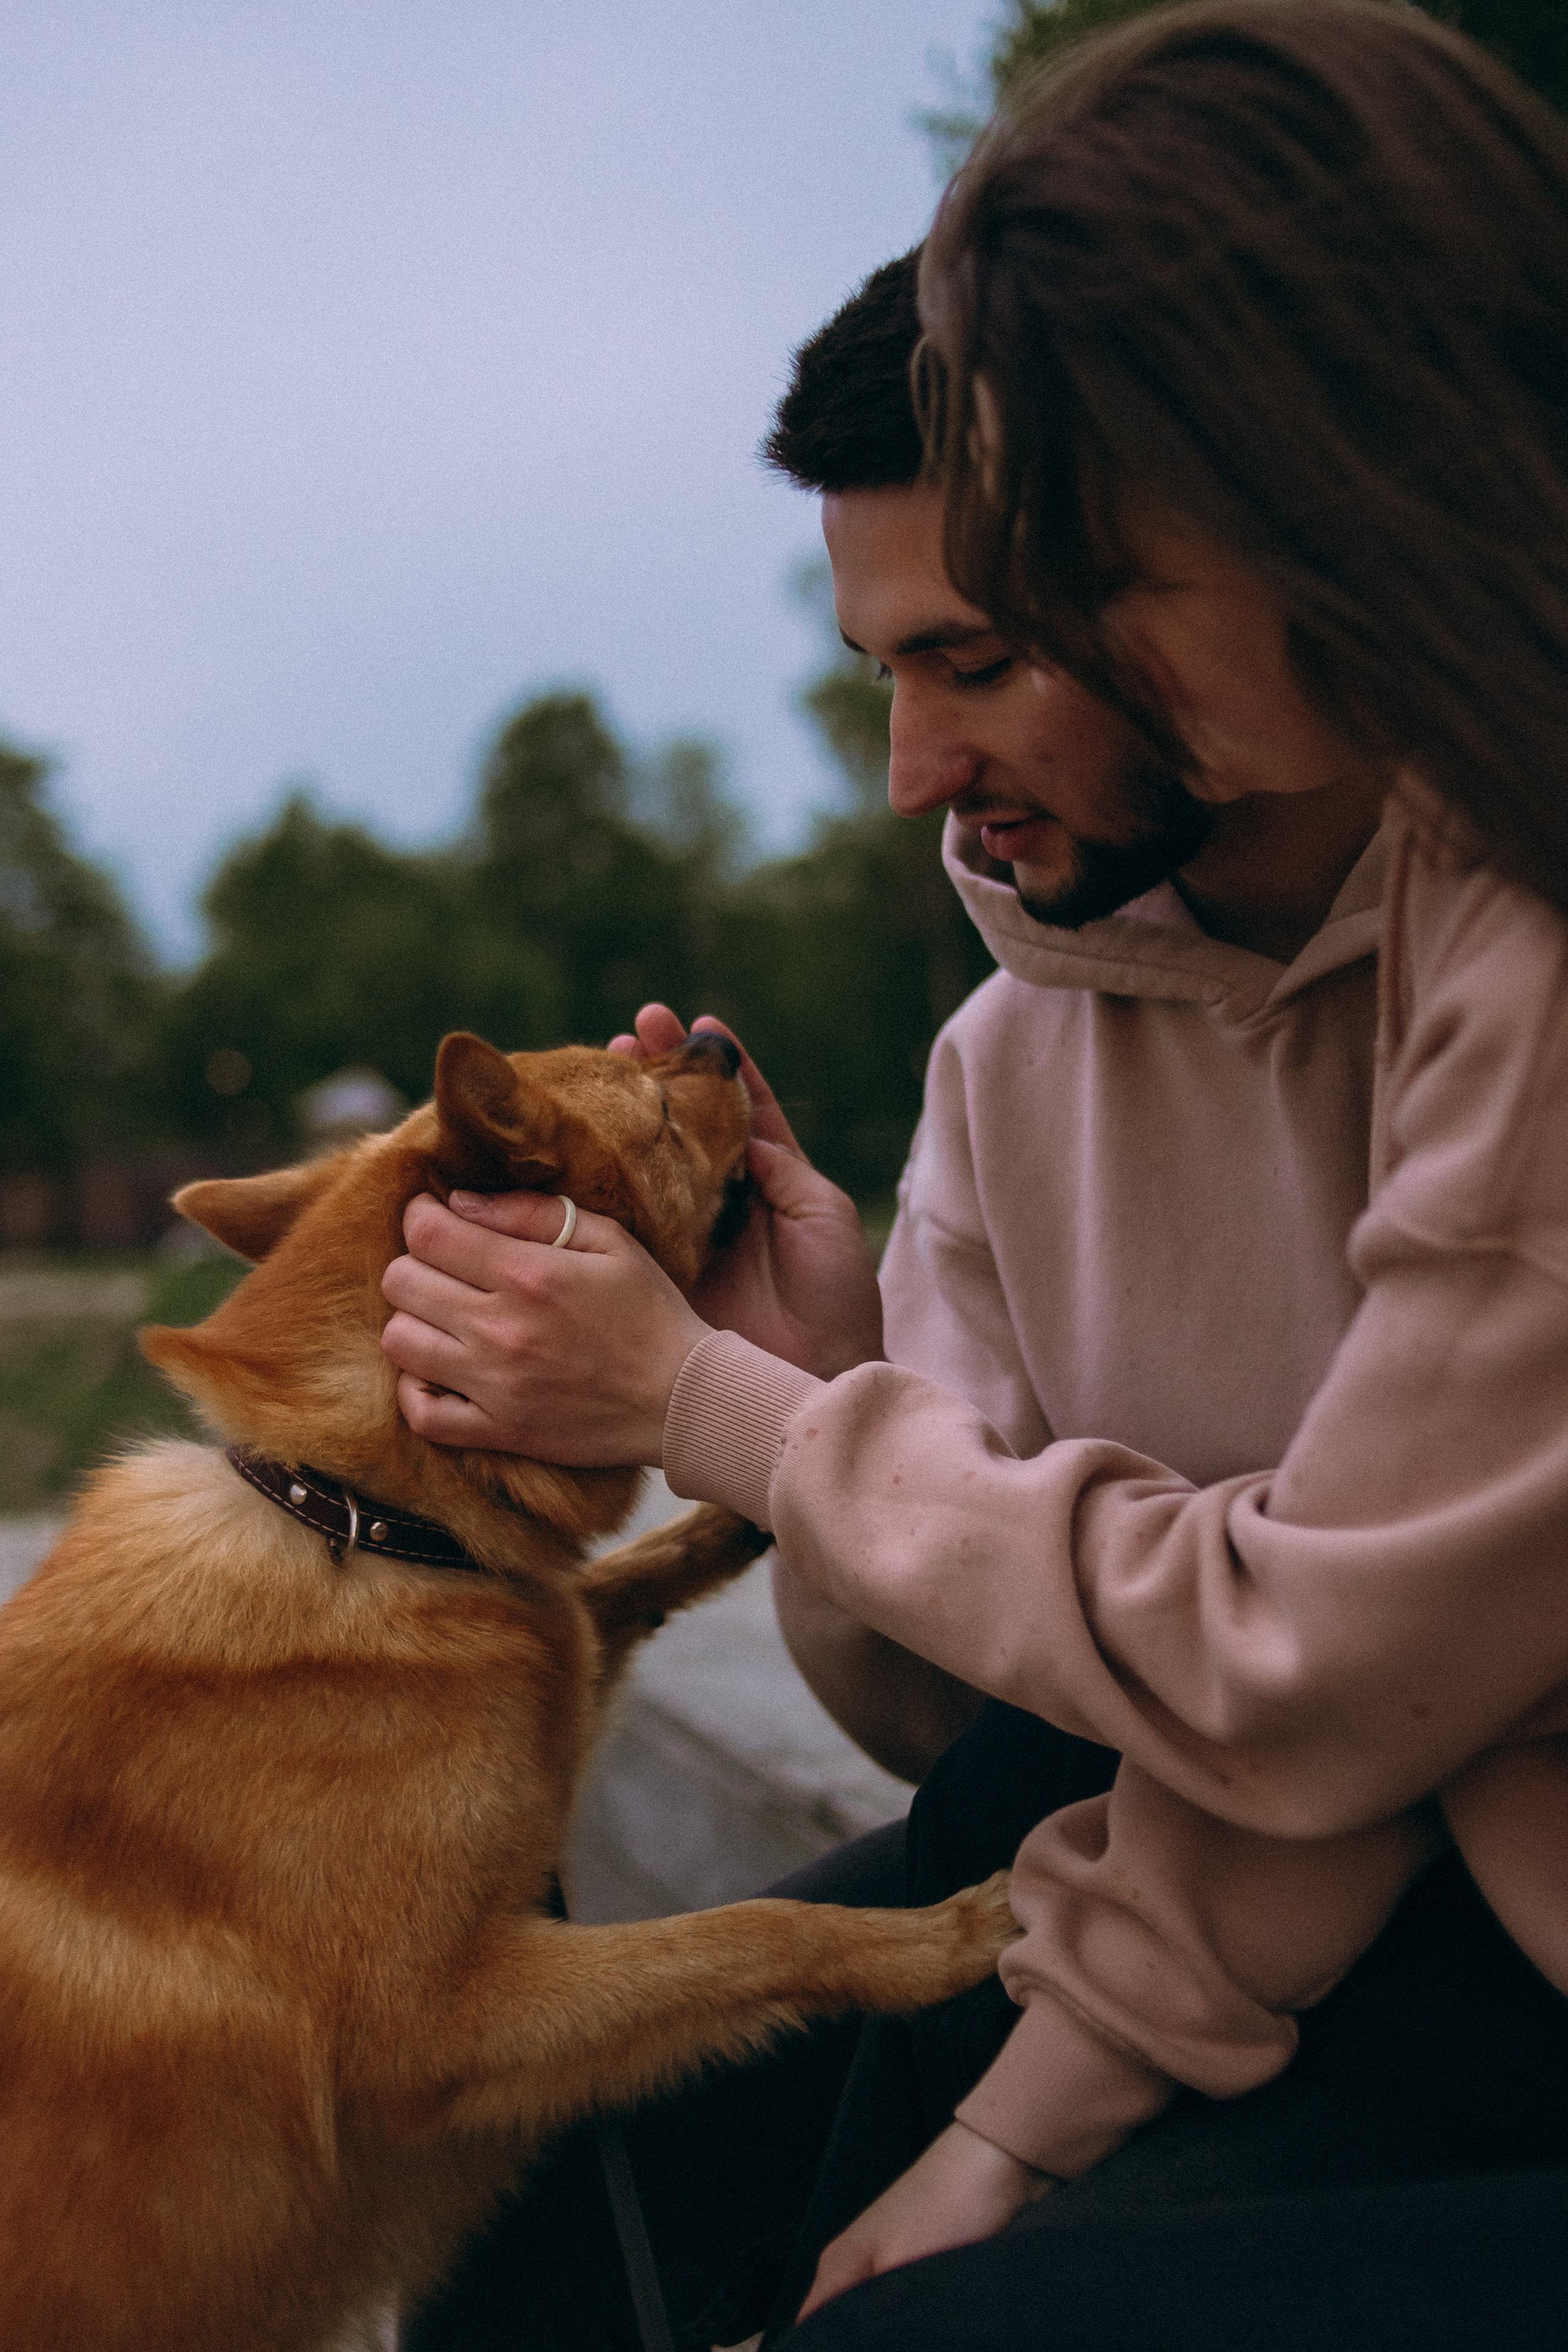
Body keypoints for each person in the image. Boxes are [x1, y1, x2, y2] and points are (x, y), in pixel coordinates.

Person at [390, 12, 1568, 2339]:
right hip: (1262, 1867)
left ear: (1328, 495)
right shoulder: (1019, 1054)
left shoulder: (1508, 921)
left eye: (1011, 632)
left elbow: (1317, 1688)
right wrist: (821, 1382)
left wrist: (722, 1421)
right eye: (880, 668)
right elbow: (1005, 1737)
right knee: (542, 2202)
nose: (913, 771)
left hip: (1452, 1941)